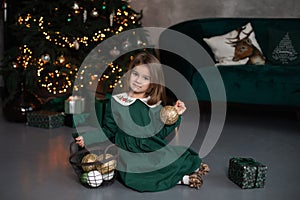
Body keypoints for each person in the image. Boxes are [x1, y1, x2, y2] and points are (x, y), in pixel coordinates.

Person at [75, 52, 209, 192]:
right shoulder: (116, 102)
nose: (138, 80)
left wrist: (175, 116)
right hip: (127, 150)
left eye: (145, 78)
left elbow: (160, 133)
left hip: (150, 146)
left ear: (152, 83)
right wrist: (87, 138)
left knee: (169, 159)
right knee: (133, 174)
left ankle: (183, 174)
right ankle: (181, 179)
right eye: (135, 74)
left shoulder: (154, 105)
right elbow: (109, 130)